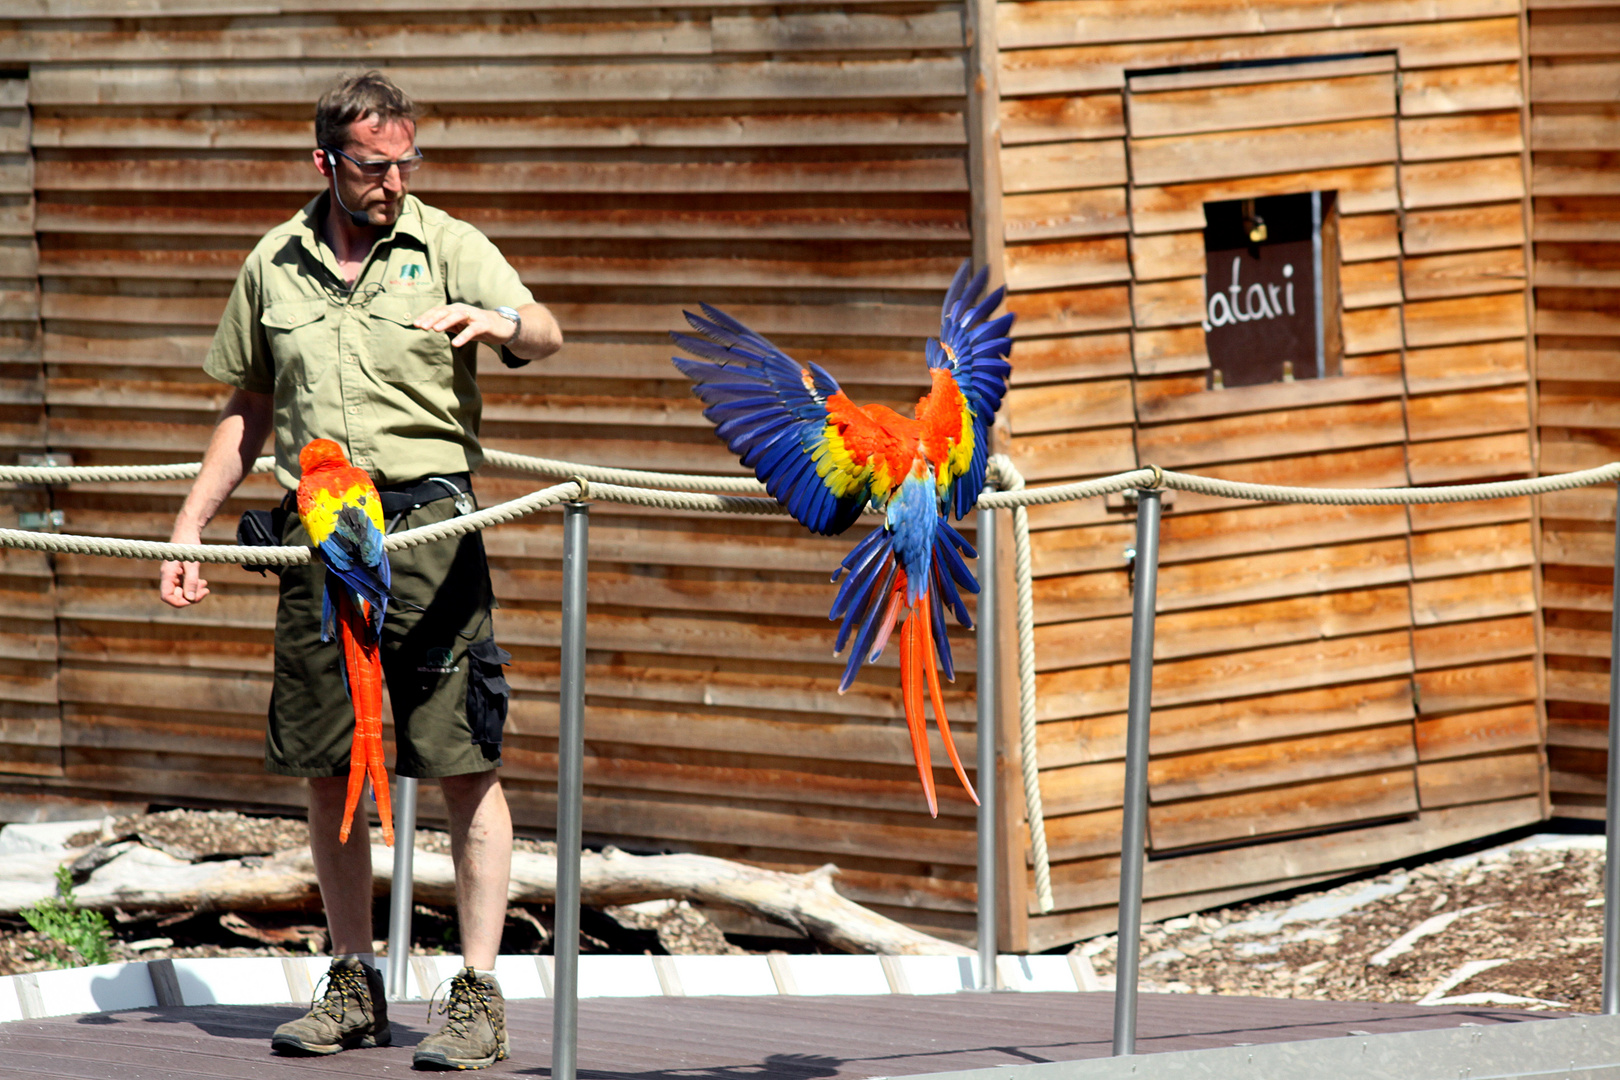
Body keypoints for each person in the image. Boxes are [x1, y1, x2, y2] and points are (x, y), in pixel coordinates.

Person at [157, 70, 561, 1071]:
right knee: (331, 762)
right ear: (325, 162)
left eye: (404, 163)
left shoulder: (446, 245)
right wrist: (188, 529)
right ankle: (351, 983)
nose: (392, 182)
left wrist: (501, 325)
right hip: (317, 528)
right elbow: (246, 413)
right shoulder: (274, 264)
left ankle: (475, 996)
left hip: (426, 528)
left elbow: (547, 329)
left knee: (462, 762)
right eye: (373, 166)